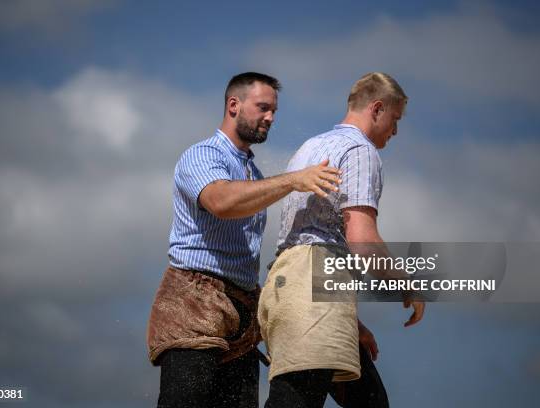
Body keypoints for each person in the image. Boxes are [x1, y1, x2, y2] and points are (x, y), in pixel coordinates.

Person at [146, 72, 343, 408]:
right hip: (193, 303)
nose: (271, 117)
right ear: (233, 105)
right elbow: (222, 202)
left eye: (274, 111)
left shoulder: (254, 174)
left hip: (242, 314)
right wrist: (294, 180)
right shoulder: (202, 155)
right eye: (263, 107)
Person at [258, 72, 426, 408]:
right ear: (377, 108)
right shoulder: (360, 150)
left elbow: (303, 240)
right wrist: (406, 284)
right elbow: (361, 239)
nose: (395, 131)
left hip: (285, 288)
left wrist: (351, 320)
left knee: (368, 400)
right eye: (394, 120)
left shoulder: (310, 147)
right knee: (297, 400)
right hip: (313, 293)